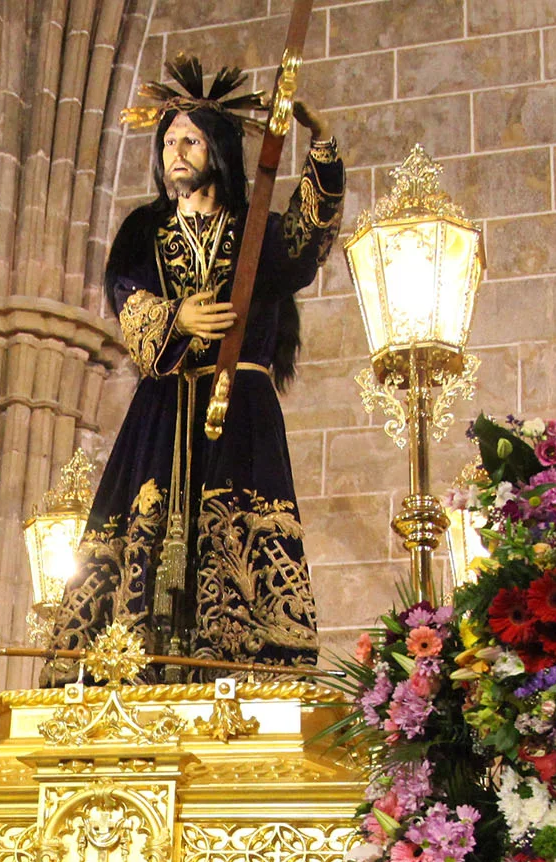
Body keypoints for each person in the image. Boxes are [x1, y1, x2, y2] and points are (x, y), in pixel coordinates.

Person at [42, 55, 345, 680]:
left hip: (240, 406)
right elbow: (124, 289)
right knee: (142, 531)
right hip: (164, 406)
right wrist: (176, 320)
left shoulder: (252, 226)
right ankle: (132, 670)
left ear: (220, 150)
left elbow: (302, 253)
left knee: (238, 531)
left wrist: (322, 143)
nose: (176, 151)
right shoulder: (144, 228)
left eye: (191, 140)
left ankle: (243, 667)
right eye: (169, 141)